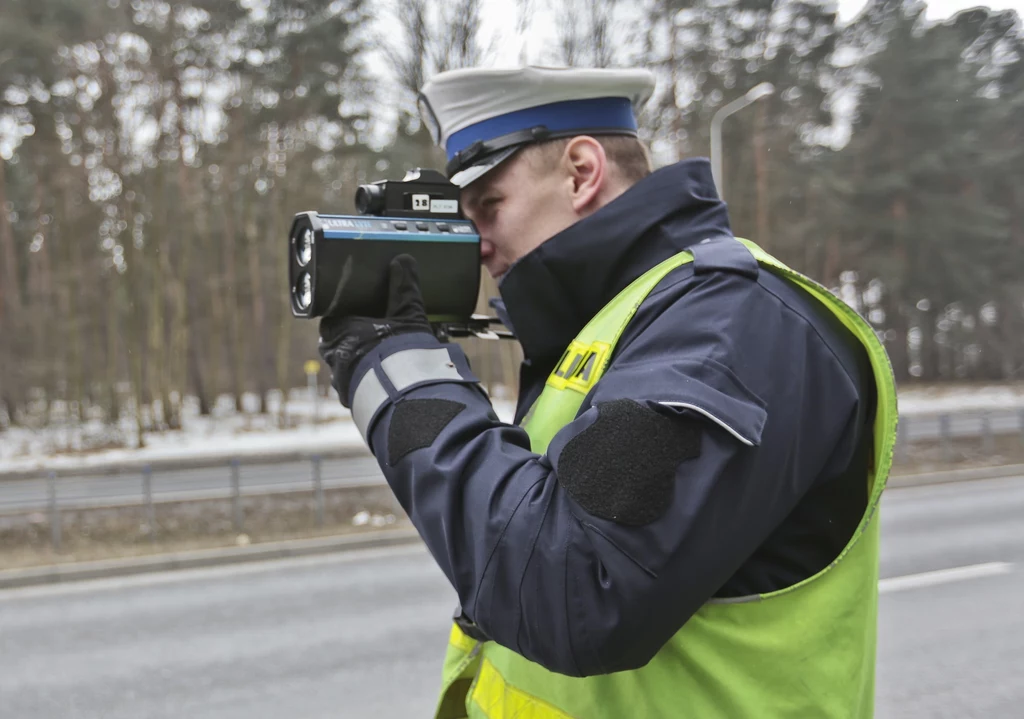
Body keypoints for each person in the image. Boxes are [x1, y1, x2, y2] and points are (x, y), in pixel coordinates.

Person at [317, 66, 898, 718]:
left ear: (581, 171)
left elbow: (579, 589)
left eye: (489, 205)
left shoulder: (735, 327)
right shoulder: (615, 327)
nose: (476, 243)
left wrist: (400, 375)